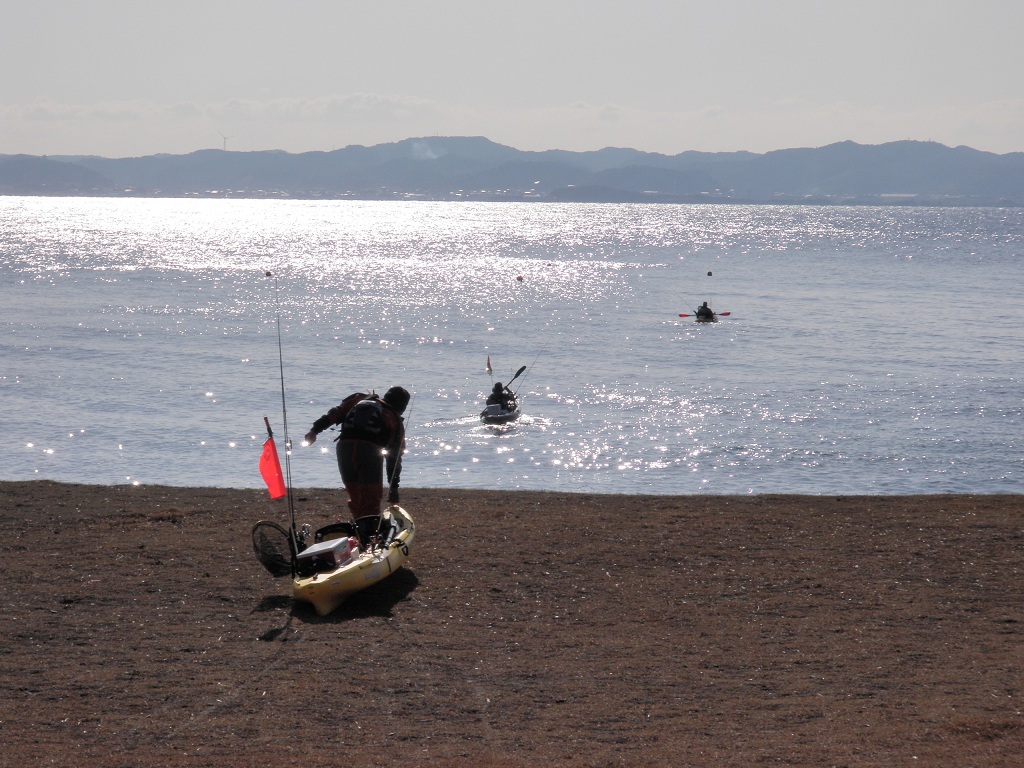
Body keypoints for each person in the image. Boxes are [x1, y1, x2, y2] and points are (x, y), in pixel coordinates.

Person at [304, 386, 410, 547]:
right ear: (402, 407)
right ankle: (370, 542)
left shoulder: (360, 400)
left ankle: (360, 534)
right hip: (369, 450)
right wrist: (394, 488)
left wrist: (314, 431)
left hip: (344, 448)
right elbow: (394, 459)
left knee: (356, 496)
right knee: (371, 498)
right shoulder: (394, 418)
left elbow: (334, 414)